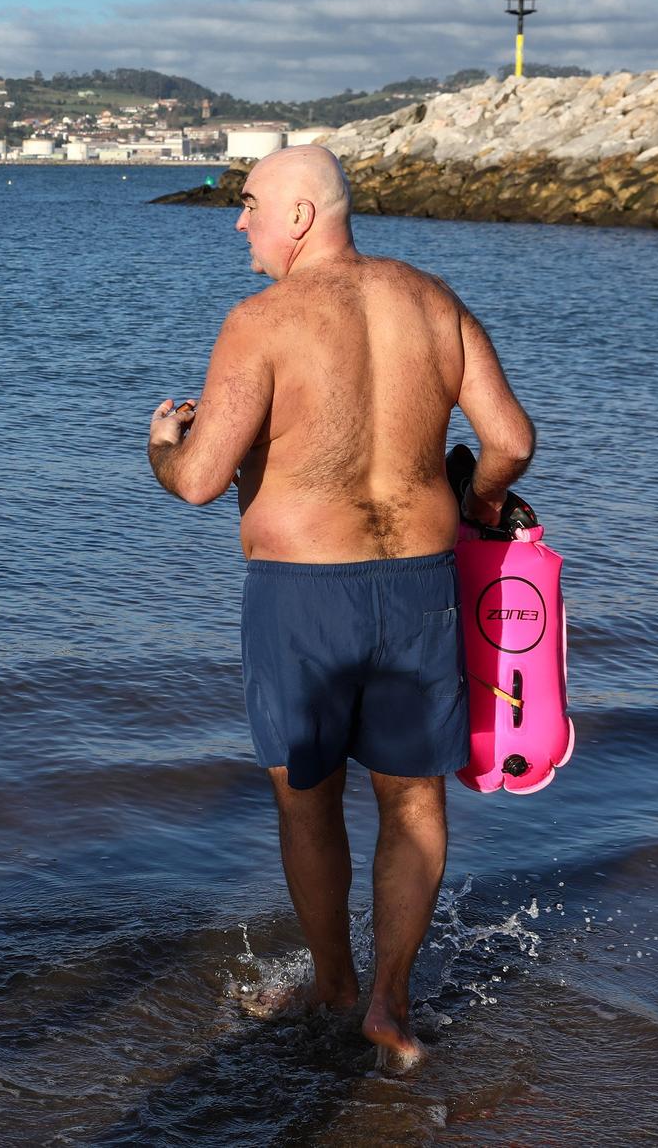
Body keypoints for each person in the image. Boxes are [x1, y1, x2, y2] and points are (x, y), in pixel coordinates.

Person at [145, 146, 534, 1070]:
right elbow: (512, 441)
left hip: (303, 600)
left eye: (249, 205)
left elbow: (200, 482)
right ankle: (391, 1009)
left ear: (303, 216)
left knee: (307, 804)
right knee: (413, 802)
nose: (237, 222)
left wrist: (162, 444)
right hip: (420, 590)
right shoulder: (434, 301)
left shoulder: (263, 320)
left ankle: (333, 985)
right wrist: (477, 504)